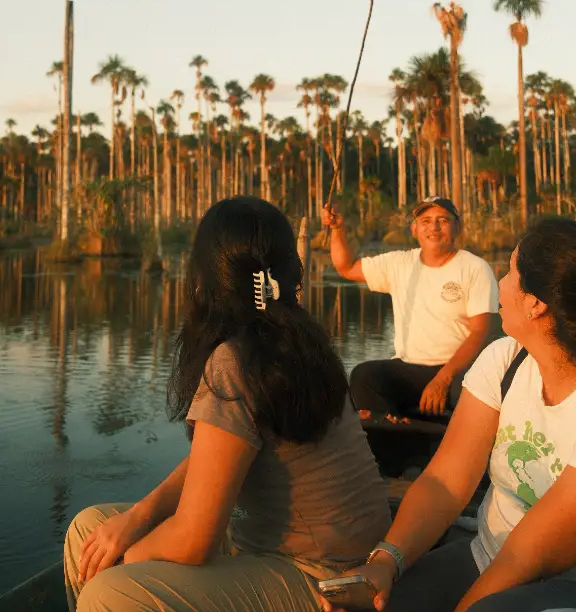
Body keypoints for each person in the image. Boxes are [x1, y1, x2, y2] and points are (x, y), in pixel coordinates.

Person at [65, 196, 391, 612]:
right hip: (319, 552)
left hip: (327, 577)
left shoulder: (234, 359)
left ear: (208, 279)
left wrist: (121, 561)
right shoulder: (296, 338)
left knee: (109, 591)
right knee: (89, 530)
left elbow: (194, 539)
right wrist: (139, 515)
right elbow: (223, 451)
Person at [322, 217, 576, 612]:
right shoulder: (505, 361)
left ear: (536, 303)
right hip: (485, 555)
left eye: (509, 272)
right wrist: (386, 561)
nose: (500, 284)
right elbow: (444, 481)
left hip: (559, 580)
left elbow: (527, 556)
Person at [321, 196, 498, 418]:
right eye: (425, 221)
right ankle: (391, 431)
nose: (433, 227)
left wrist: (443, 379)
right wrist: (337, 229)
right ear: (414, 229)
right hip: (410, 367)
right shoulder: (400, 264)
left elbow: (481, 331)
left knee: (475, 395)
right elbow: (346, 267)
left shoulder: (475, 268)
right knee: (363, 376)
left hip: (458, 371)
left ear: (457, 227)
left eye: (442, 220)